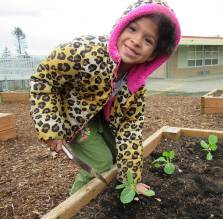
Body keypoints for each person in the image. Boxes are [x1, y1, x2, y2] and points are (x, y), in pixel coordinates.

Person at [29, 0, 181, 195]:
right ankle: (75, 205)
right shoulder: (85, 52)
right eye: (133, 29)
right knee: (101, 163)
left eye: (148, 40)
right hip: (73, 118)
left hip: (101, 118)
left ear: (153, 55)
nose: (136, 41)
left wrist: (132, 181)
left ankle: (105, 186)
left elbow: (130, 128)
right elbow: (44, 79)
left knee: (118, 154)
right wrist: (50, 128)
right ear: (120, 26)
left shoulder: (136, 84)